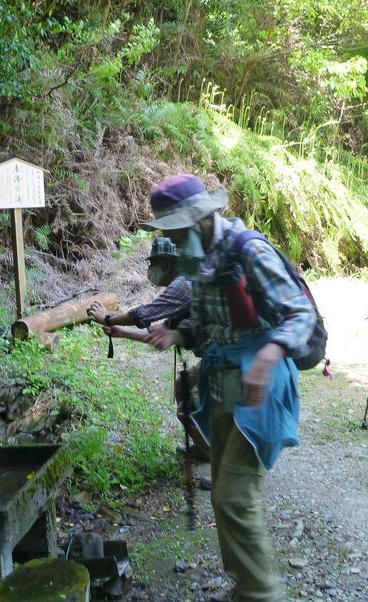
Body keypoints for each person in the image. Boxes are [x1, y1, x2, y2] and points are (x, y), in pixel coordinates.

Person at [141, 174, 315, 602]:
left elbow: (299, 314)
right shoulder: (197, 260)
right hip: (220, 379)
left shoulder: (249, 249)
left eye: (178, 229)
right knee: (222, 493)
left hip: (259, 382)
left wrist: (268, 357)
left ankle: (262, 594)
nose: (175, 239)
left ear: (202, 218)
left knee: (235, 496)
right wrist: (177, 335)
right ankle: (245, 586)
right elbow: (205, 324)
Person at [87, 237, 210, 461]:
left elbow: (143, 314)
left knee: (189, 405)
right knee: (185, 387)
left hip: (223, 357)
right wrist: (121, 332)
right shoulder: (183, 287)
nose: (151, 270)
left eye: (155, 263)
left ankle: (214, 455)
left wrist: (107, 317)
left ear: (170, 263)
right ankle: (207, 448)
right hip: (215, 356)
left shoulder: (184, 283)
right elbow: (160, 332)